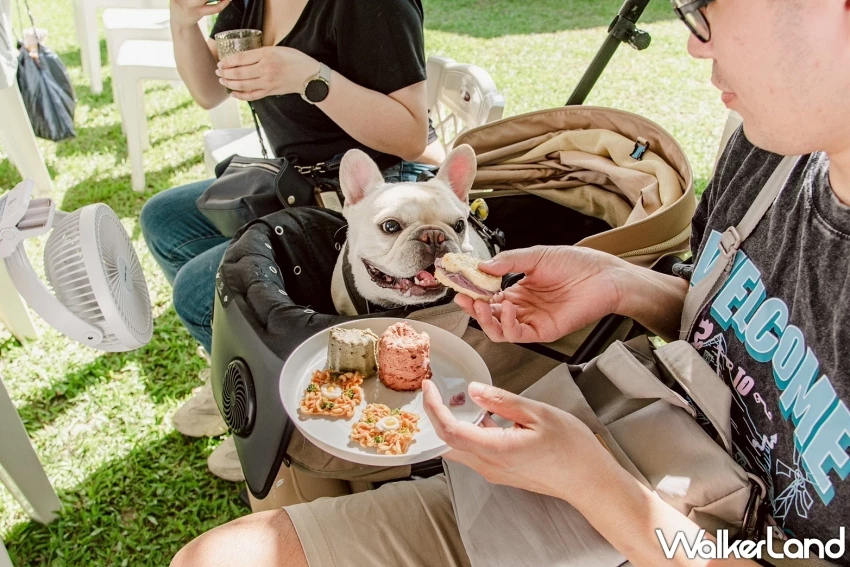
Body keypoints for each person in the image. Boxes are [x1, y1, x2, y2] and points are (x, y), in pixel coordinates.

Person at [170, 0, 850, 564]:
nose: (696, 43)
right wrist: (620, 284)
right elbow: (726, 337)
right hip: (605, 439)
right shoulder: (770, 156)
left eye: (707, 7)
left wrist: (590, 481)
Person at [140, 0, 441, 481]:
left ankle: (274, 411)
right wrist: (182, 19)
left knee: (200, 291)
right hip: (298, 182)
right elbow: (206, 92)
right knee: (165, 220)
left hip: (376, 193)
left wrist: (309, 77)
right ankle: (242, 364)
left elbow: (409, 135)